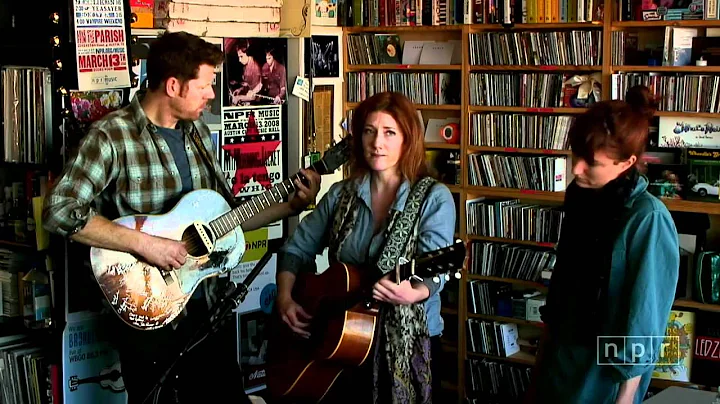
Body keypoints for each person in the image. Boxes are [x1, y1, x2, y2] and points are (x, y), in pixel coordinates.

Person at [42, 31, 320, 404]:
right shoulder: (112, 136)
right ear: (173, 85)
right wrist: (147, 244)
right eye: (204, 86)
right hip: (149, 309)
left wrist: (290, 206)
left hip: (207, 308)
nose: (211, 94)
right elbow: (60, 211)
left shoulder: (198, 133)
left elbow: (225, 219)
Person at [270, 91, 456, 403]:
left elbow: (433, 272)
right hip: (339, 338)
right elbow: (295, 248)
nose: (377, 143)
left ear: (407, 140)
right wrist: (286, 298)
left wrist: (415, 292)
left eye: (389, 133)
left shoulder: (433, 198)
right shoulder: (341, 195)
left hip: (405, 343)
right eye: (369, 131)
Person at [525, 85, 680, 404]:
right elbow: (564, 283)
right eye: (576, 156)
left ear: (627, 163)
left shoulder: (647, 218)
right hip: (560, 358)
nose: (576, 169)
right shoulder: (579, 194)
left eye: (591, 163)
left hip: (603, 375)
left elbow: (643, 324)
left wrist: (624, 399)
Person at [228, 39, 263, 106]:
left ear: (248, 53)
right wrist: (240, 89)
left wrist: (238, 98)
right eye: (239, 57)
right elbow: (249, 85)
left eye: (241, 56)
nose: (239, 60)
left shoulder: (255, 69)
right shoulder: (246, 66)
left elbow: (254, 96)